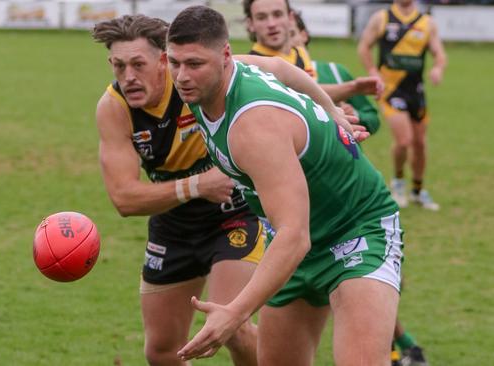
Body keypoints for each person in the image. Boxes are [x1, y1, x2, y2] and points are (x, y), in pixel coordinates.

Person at [91, 14, 353, 366]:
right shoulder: (114, 107)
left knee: (234, 324)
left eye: (138, 64)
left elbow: (278, 67)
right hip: (173, 224)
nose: (128, 77)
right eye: (118, 66)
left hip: (233, 213)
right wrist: (197, 185)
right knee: (161, 351)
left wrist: (330, 109)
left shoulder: (195, 75)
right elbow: (124, 198)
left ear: (163, 61)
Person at [167, 6, 403, 365]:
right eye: (174, 62)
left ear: (225, 55)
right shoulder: (206, 81)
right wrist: (330, 108)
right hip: (294, 240)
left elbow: (295, 234)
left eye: (194, 64)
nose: (182, 76)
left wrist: (234, 313)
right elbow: (279, 67)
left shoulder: (255, 126)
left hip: (355, 229)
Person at [292, 12, 429, 366]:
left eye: (292, 29)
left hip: (347, 197)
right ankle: (399, 343)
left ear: (305, 35)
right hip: (293, 210)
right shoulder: (262, 80)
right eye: (265, 20)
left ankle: (398, 343)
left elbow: (368, 116)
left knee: (365, 281)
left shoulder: (334, 73)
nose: (281, 33)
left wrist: (350, 116)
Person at [358, 0, 447, 210]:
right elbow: (364, 46)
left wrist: (438, 69)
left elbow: (439, 53)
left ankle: (417, 190)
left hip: (416, 92)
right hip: (390, 91)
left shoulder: (427, 23)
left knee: (420, 143)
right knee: (404, 140)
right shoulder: (382, 18)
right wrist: (372, 70)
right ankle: (398, 182)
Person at [243, 0, 383, 104]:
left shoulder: (299, 52)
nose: (271, 24)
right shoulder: (252, 67)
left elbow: (310, 95)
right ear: (250, 24)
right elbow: (303, 94)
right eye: (261, 17)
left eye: (278, 14)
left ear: (291, 18)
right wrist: (352, 88)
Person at [290, 10, 381, 135]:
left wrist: (354, 114)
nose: (286, 41)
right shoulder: (269, 78)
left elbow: (373, 119)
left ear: (304, 35)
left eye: (291, 34)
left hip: (343, 153)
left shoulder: (335, 72)